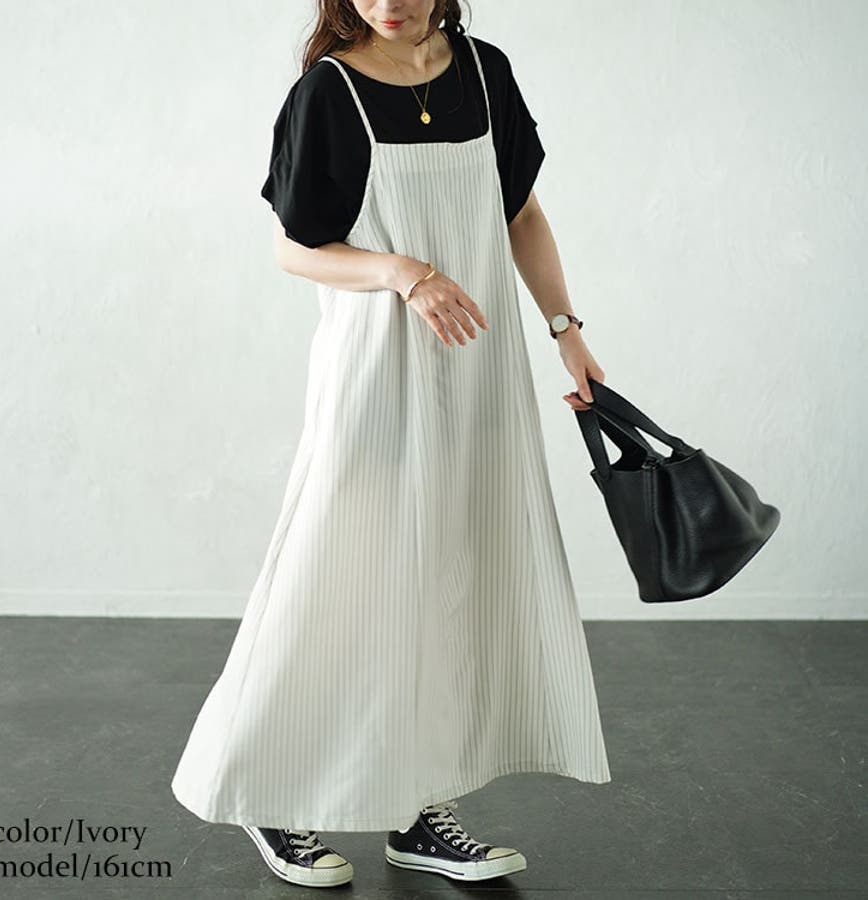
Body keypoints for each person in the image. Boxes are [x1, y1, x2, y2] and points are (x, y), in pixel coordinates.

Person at [170, 0, 611, 889]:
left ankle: (416, 809)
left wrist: (566, 330)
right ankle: (266, 791)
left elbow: (521, 214)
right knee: (334, 576)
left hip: (477, 371)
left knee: (445, 577)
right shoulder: (329, 92)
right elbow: (296, 249)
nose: (385, 4)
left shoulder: (484, 72)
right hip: (375, 372)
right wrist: (401, 272)